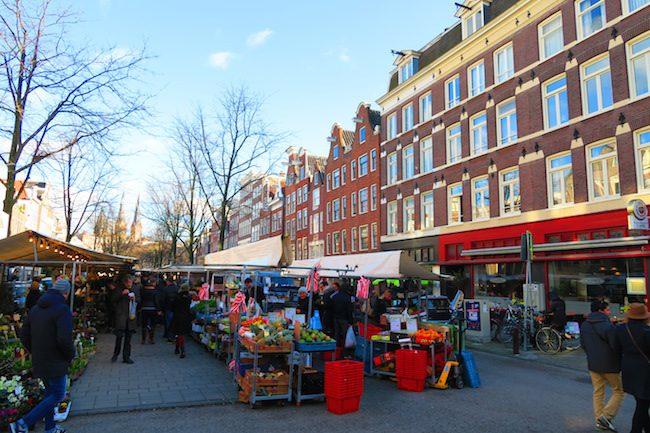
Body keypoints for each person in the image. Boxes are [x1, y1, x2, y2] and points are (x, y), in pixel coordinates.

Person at [10, 279, 74, 433]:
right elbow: (64, 339)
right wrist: (70, 355)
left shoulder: (36, 309)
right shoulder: (62, 309)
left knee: (49, 394)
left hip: (40, 358)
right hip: (56, 359)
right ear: (65, 293)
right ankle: (23, 423)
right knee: (58, 394)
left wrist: (34, 350)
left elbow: (24, 334)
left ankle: (50, 428)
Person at [580, 300, 623, 432]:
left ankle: (599, 420)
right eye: (607, 309)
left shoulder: (585, 325)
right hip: (610, 365)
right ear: (601, 310)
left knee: (598, 392)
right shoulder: (608, 326)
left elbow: (583, 345)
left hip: (593, 364)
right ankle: (606, 416)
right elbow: (616, 346)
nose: (609, 311)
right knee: (619, 390)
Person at [613, 303, 650, 433]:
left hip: (628, 369)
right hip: (645, 371)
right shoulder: (647, 331)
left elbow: (616, 350)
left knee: (641, 402)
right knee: (643, 404)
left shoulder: (620, 329)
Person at [111, 274, 138, 364]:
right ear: (125, 282)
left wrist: (135, 298)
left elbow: (139, 300)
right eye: (129, 283)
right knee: (119, 337)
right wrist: (121, 294)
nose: (130, 284)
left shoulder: (134, 289)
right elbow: (112, 300)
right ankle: (116, 354)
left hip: (131, 317)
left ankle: (126, 357)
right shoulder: (119, 289)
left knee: (128, 339)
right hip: (121, 317)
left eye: (131, 282)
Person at [325, 281, 354, 353]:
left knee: (336, 334)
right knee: (345, 335)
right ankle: (344, 351)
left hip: (335, 317)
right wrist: (351, 321)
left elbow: (330, 307)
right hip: (344, 318)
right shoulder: (347, 298)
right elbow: (349, 310)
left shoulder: (335, 296)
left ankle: (336, 350)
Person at [172, 284, 192, 358]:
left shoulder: (177, 297)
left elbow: (173, 306)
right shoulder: (189, 297)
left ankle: (180, 349)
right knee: (182, 334)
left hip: (177, 316)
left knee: (178, 333)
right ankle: (179, 348)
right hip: (186, 317)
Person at [140, 277, 160, 344]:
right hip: (152, 308)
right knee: (153, 325)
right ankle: (151, 339)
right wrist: (159, 309)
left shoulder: (143, 290)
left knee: (144, 325)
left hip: (144, 308)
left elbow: (141, 299)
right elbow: (156, 301)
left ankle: (143, 339)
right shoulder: (155, 291)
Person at [162, 277, 179, 342]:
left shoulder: (166, 289)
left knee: (168, 322)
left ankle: (169, 335)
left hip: (168, 307)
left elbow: (163, 299)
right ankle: (173, 335)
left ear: (168, 281)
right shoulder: (177, 288)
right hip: (175, 308)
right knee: (173, 321)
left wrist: (162, 307)